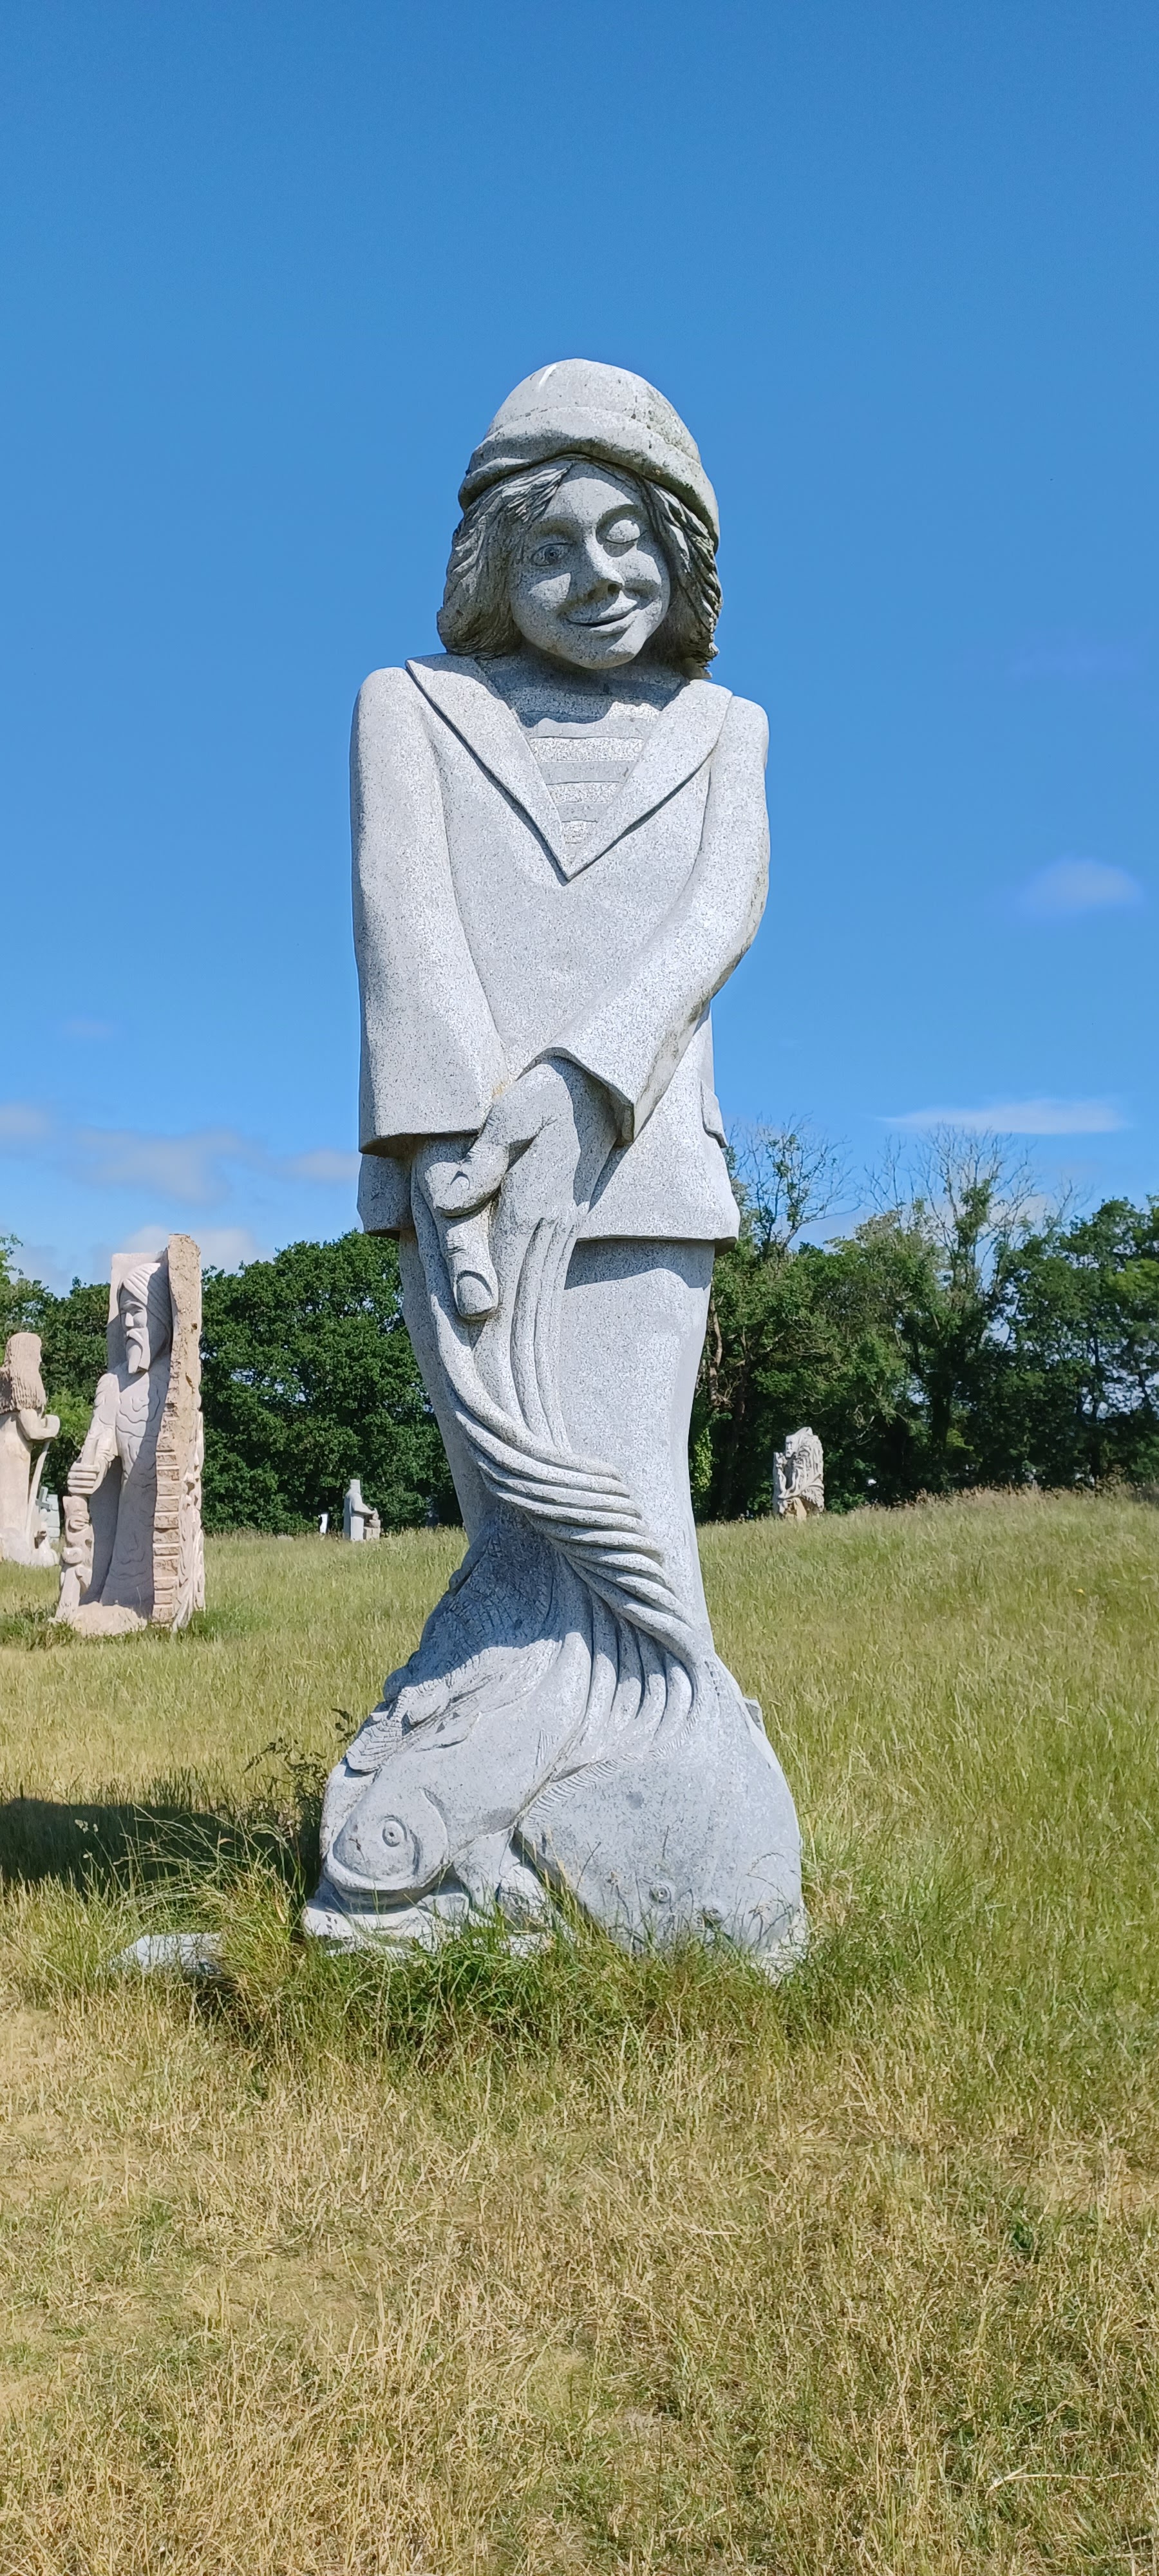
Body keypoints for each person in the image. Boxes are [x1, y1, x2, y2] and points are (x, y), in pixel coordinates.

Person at [310, 362, 804, 1965]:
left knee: (630, 1502)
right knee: (516, 1512)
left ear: (684, 548)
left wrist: (586, 1081)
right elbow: (404, 918)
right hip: (460, 1184)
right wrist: (460, 1136)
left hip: (640, 1165)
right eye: (552, 547)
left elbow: (719, 910)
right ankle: (458, 1837)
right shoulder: (410, 704)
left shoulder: (726, 729)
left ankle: (671, 1822)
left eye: (628, 538)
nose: (596, 577)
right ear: (492, 567)